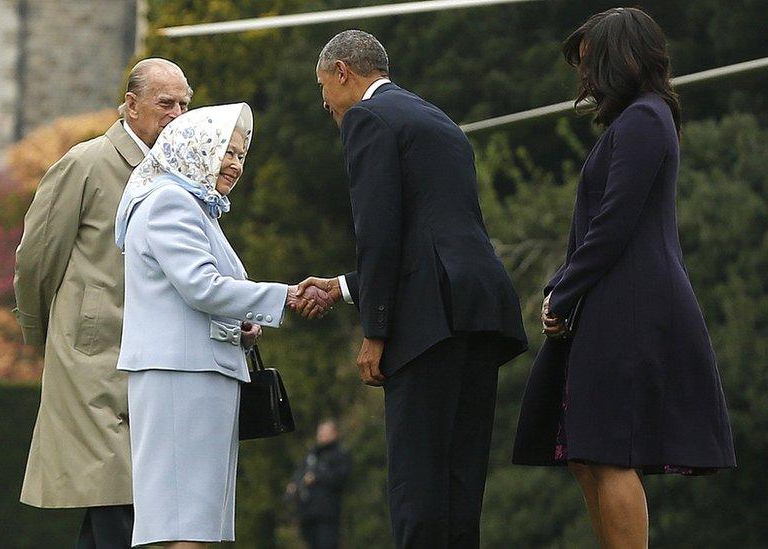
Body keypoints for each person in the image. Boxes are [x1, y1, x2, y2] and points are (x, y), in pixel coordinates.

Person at [512, 7, 737, 548]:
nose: (583, 77)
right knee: (586, 454)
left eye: (589, 63)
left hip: (631, 306)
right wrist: (560, 289)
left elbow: (614, 224)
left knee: (610, 451)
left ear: (619, 59)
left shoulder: (644, 118)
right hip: (609, 302)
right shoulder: (637, 120)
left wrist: (562, 295)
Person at [298, 30, 528, 549]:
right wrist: (341, 287)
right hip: (480, 311)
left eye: (323, 89)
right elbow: (429, 237)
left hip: (429, 323)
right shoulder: (438, 119)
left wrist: (376, 331)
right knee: (461, 484)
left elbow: (379, 233)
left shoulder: (366, 118)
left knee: (418, 484)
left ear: (343, 73)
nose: (325, 104)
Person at [115, 102, 332, 548]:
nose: (234, 164)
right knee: (183, 525)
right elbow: (202, 285)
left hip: (197, 375)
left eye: (240, 155)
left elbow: (198, 295)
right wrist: (283, 296)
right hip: (181, 377)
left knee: (194, 524)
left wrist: (243, 323)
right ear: (195, 148)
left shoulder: (196, 207)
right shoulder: (170, 201)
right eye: (225, 152)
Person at [13, 57, 192, 548]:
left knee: (122, 500)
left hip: (154, 354)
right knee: (118, 494)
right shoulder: (85, 163)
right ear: (131, 105)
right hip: (94, 356)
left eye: (184, 104)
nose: (177, 114)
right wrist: (45, 332)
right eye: (165, 103)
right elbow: (36, 259)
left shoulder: (181, 175)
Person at [287, 420, 351, 549]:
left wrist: (317, 477)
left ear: (334, 433)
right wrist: (294, 485)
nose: (321, 435)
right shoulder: (313, 455)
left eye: (325, 432)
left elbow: (340, 478)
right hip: (308, 513)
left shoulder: (339, 454)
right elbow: (300, 472)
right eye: (320, 432)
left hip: (327, 513)